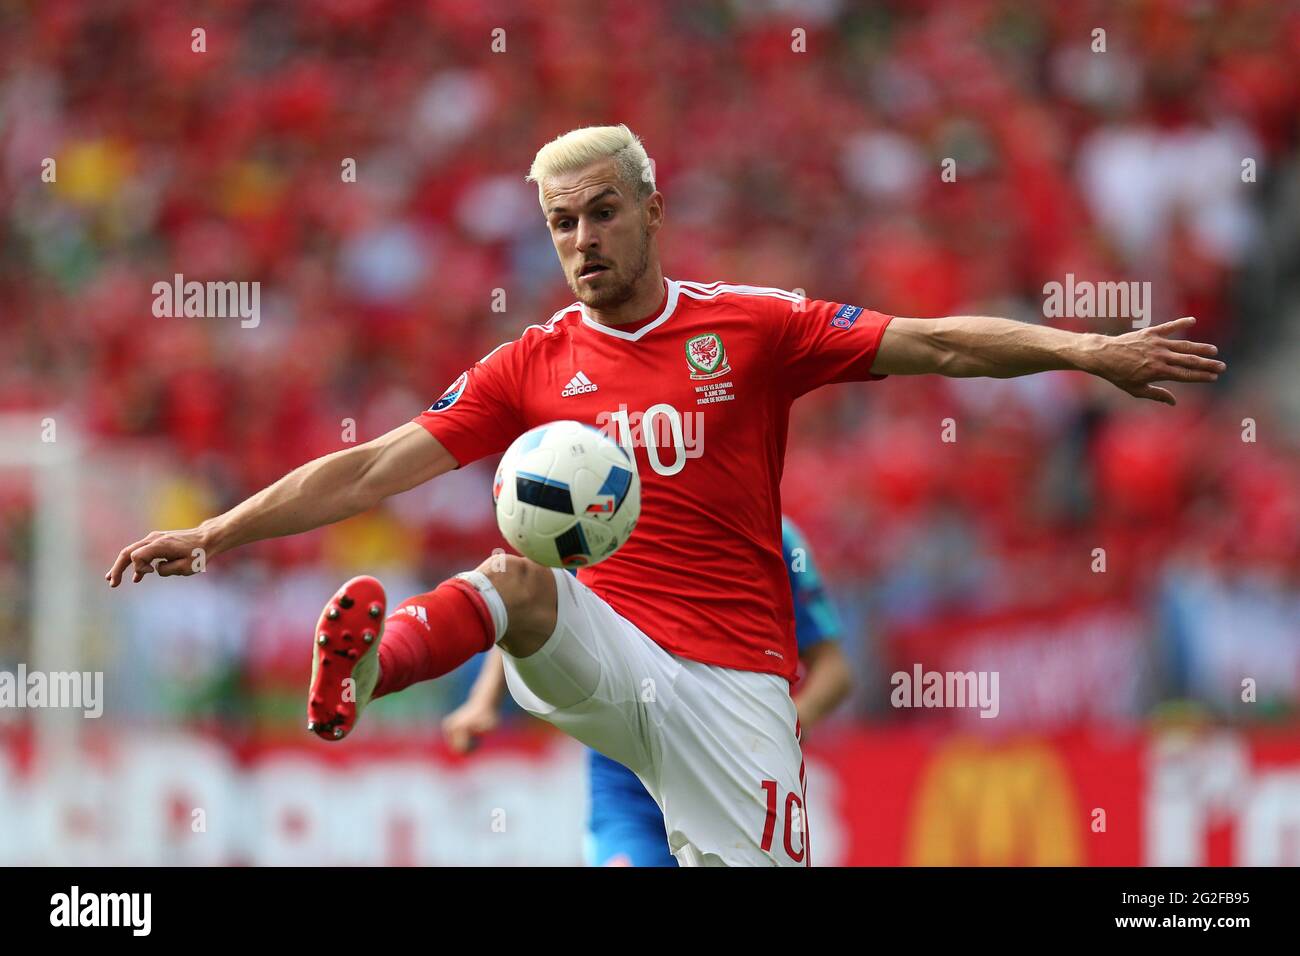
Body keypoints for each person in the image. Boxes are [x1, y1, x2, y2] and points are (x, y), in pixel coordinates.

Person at [107, 124, 1225, 866]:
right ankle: (368, 667)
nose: (581, 241)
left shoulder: (752, 325)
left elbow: (935, 342)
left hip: (734, 687)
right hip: (613, 653)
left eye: (599, 212)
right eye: (559, 224)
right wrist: (215, 530)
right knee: (511, 575)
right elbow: (365, 467)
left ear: (650, 206)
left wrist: (1083, 353)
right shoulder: (528, 367)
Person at [443, 516, 852, 867]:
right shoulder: (603, 519)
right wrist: (483, 700)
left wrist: (779, 729)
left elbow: (834, 670)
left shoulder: (771, 537)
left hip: (728, 772)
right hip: (626, 789)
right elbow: (532, 596)